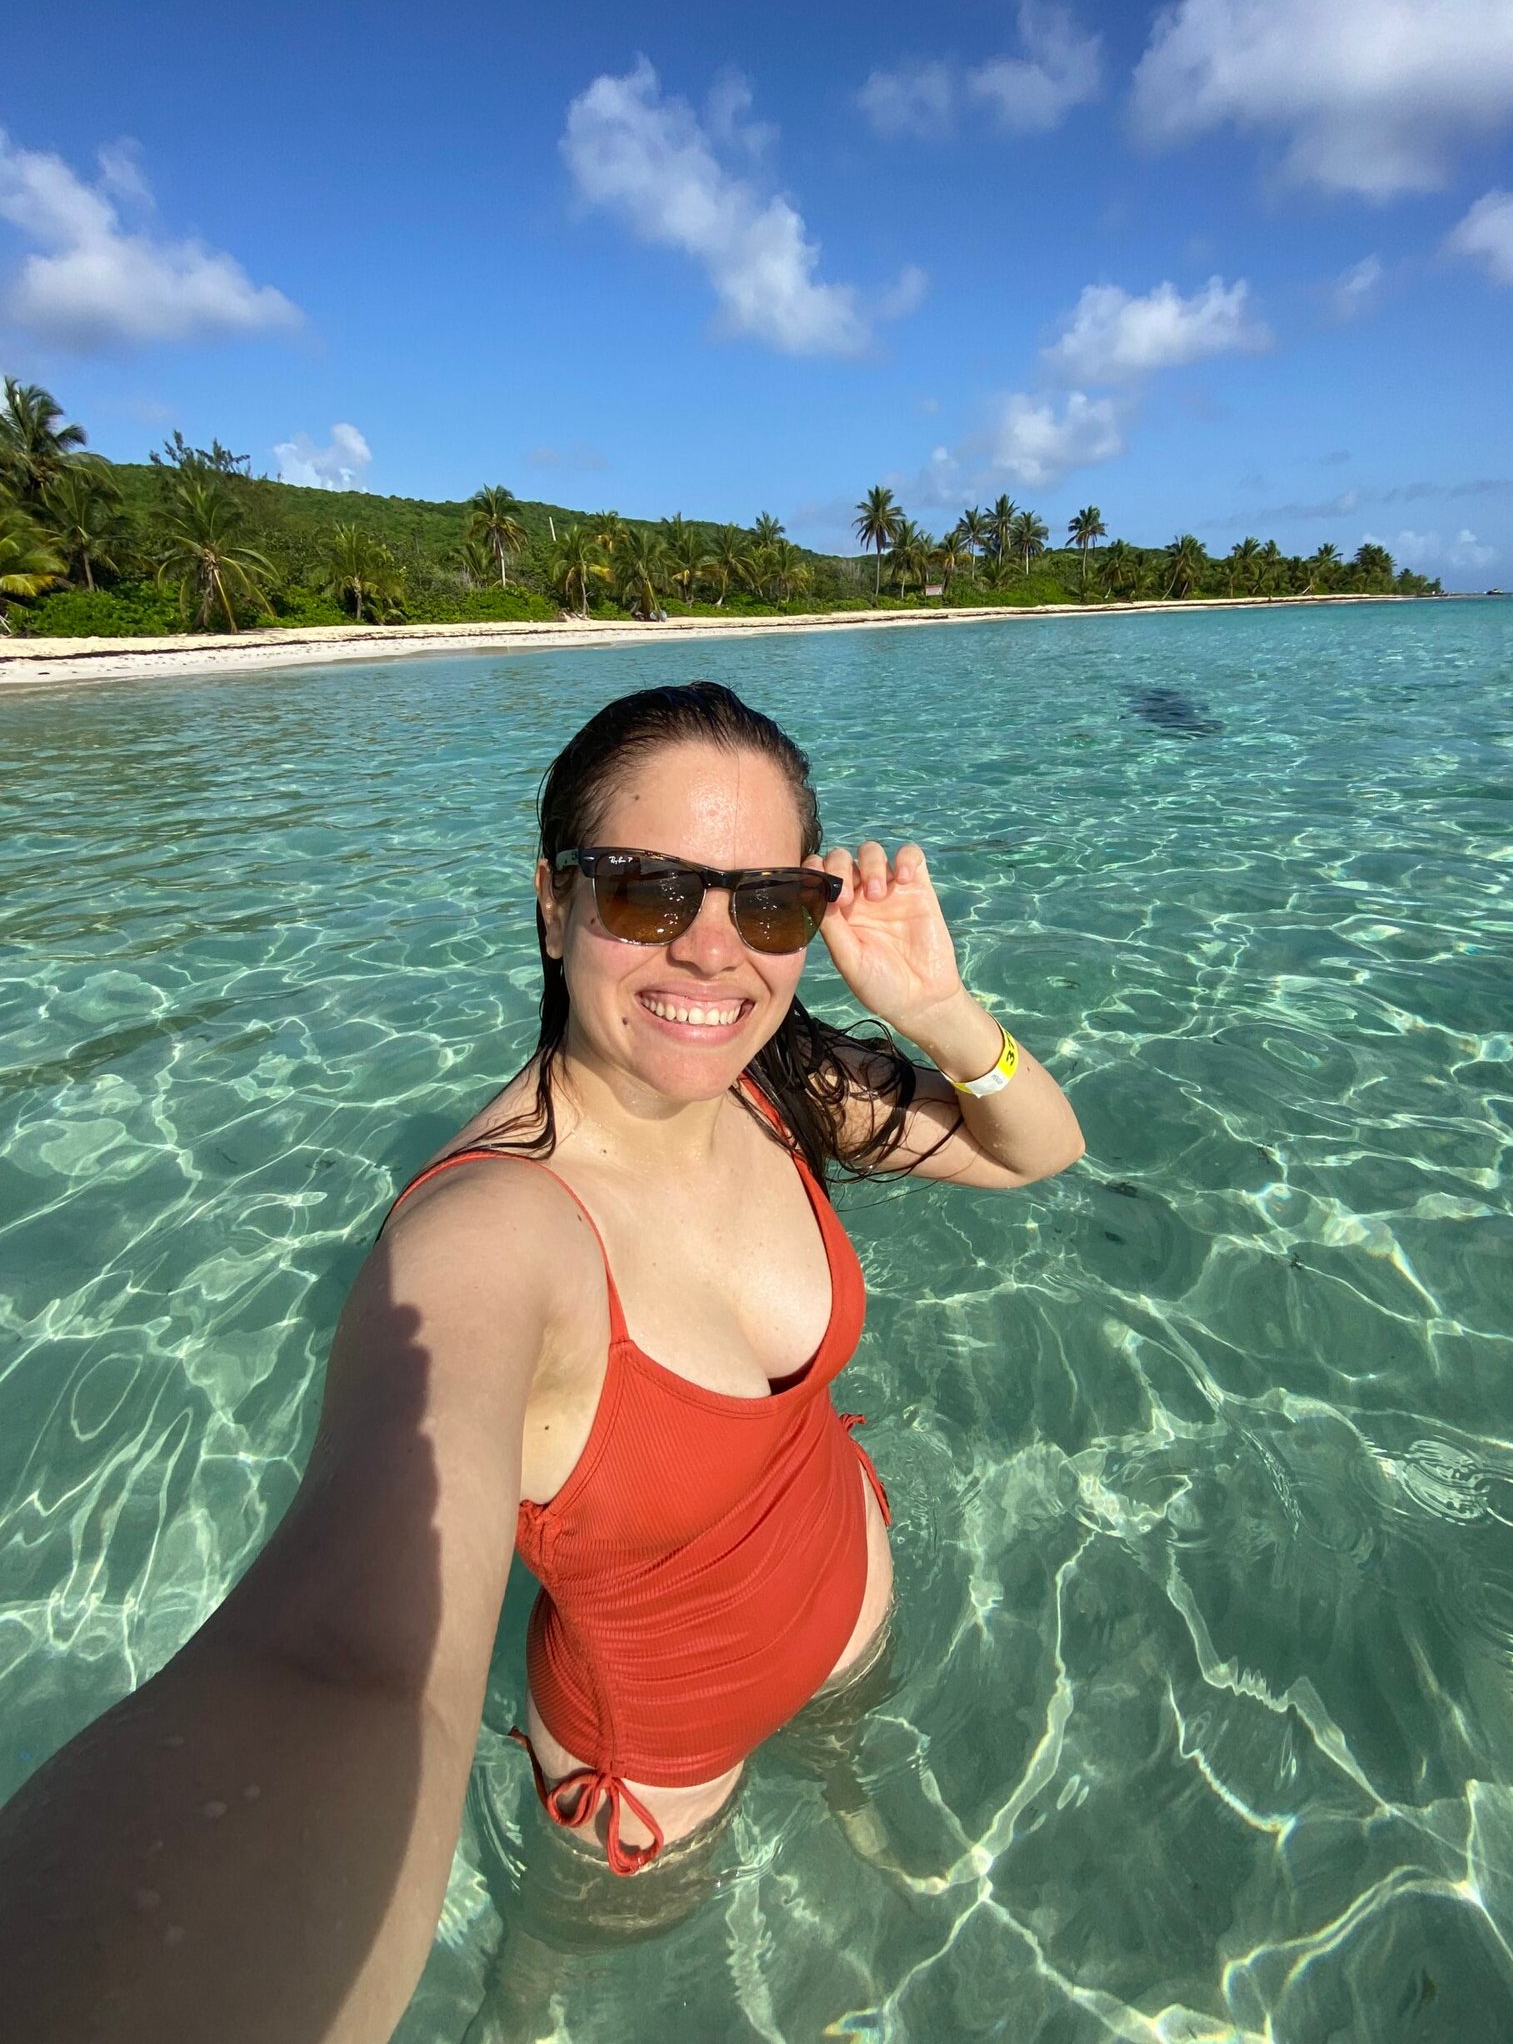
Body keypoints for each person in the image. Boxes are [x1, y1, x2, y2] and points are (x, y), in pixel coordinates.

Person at [0, 681, 1084, 2042]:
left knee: (846, 1754)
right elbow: (342, 1666)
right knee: (557, 1966)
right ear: (552, 900)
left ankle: (851, 1790)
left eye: (767, 904)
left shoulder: (781, 1080)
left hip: (848, 1602)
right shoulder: (493, 1234)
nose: (711, 954)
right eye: (644, 891)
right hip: (659, 1759)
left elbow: (1037, 1148)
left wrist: (937, 1001)